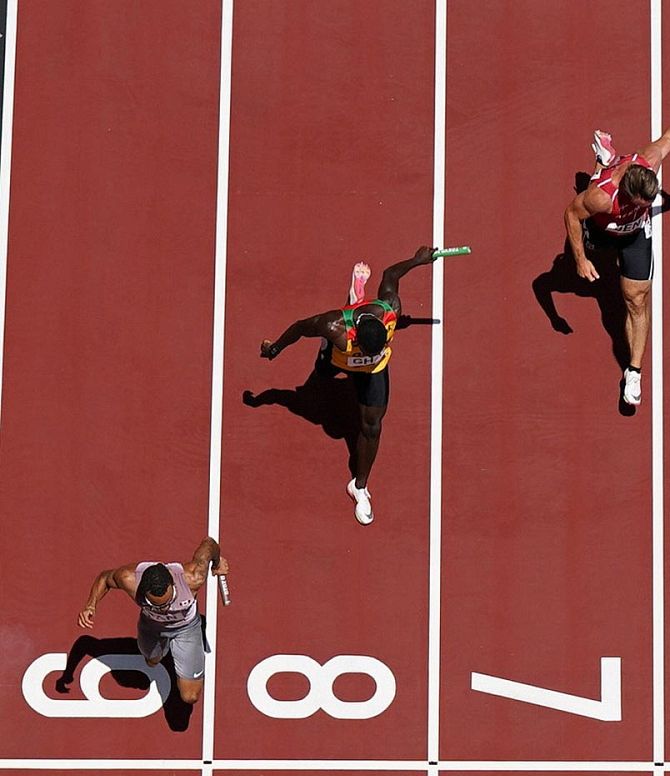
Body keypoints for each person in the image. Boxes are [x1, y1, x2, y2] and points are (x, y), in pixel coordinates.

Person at [566, 94, 670, 408]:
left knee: (636, 299)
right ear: (628, 194)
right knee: (588, 193)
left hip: (634, 235)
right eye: (645, 203)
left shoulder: (648, 161)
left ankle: (634, 371)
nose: (651, 205)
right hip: (602, 229)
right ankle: (603, 158)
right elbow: (572, 215)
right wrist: (580, 259)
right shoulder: (602, 199)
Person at [258, 246, 437, 524]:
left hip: (375, 369)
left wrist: (417, 261)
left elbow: (391, 274)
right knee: (322, 378)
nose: (366, 352)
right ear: (356, 338)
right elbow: (299, 327)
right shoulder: (334, 327)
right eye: (364, 349)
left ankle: (360, 486)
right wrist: (275, 349)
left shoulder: (391, 309)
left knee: (372, 426)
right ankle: (350, 305)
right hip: (339, 358)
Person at [76, 537, 229, 706]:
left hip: (186, 628)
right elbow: (105, 578)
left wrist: (216, 564)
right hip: (152, 628)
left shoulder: (193, 577)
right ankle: (166, 650)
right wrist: (91, 605)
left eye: (166, 602)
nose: (164, 609)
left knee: (190, 697)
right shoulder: (128, 579)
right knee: (152, 661)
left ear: (172, 583)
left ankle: (182, 654)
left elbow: (209, 544)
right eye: (155, 604)